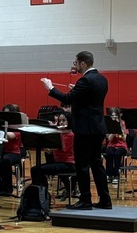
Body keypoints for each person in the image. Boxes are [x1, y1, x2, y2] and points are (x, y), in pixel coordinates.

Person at [40, 51, 112, 209]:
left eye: (76, 63)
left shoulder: (85, 80)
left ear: (83, 64)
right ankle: (105, 200)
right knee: (97, 163)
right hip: (98, 127)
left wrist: (50, 88)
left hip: (85, 128)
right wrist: (78, 91)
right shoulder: (102, 79)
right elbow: (90, 100)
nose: (75, 66)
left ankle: (85, 200)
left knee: (82, 165)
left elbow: (66, 99)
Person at [104, 107, 128, 184]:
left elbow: (124, 138)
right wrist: (114, 130)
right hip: (111, 145)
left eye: (115, 116)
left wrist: (119, 127)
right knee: (109, 152)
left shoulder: (123, 123)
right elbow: (109, 139)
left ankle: (116, 175)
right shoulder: (108, 124)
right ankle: (109, 174)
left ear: (118, 116)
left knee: (117, 153)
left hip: (122, 146)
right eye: (112, 116)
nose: (114, 118)